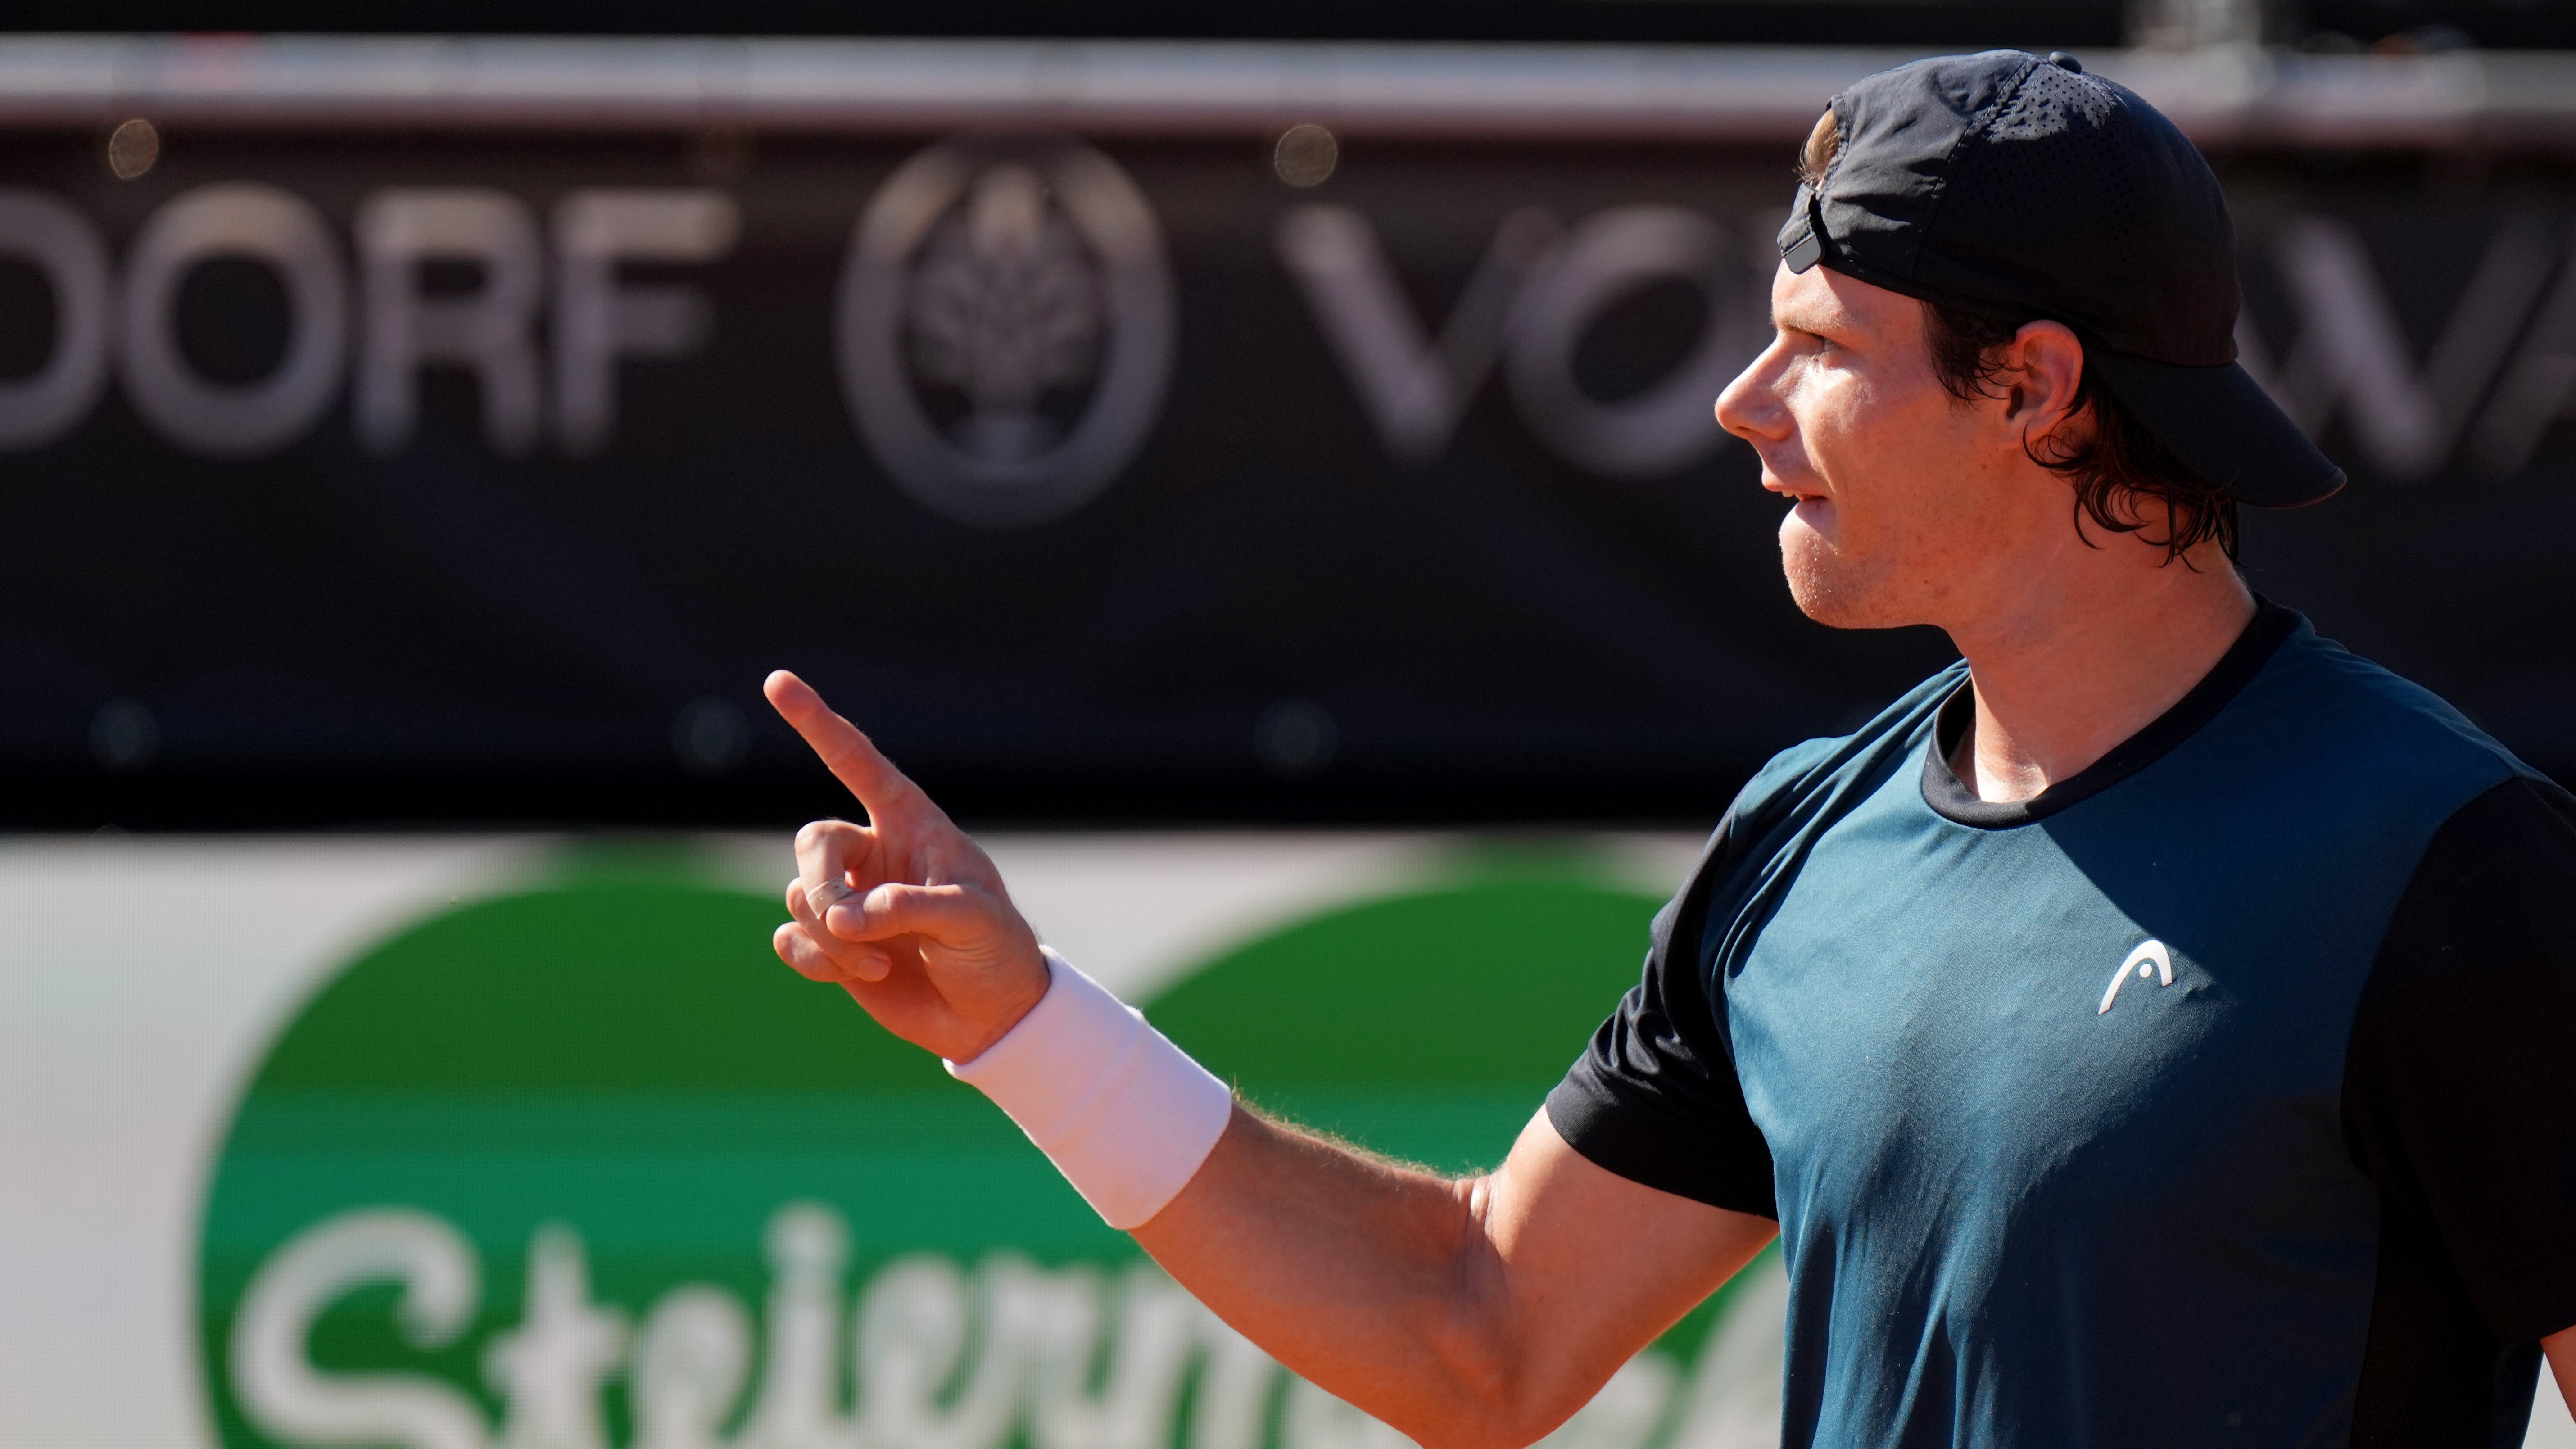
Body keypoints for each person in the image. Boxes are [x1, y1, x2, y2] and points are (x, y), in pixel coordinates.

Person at [765, 50, 2576, 1449]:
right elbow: (1475, 1328)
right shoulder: (1801, 845)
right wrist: (1026, 1021)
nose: (1741, 404)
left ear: (2032, 386)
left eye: (1817, 346)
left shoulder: (2449, 863)